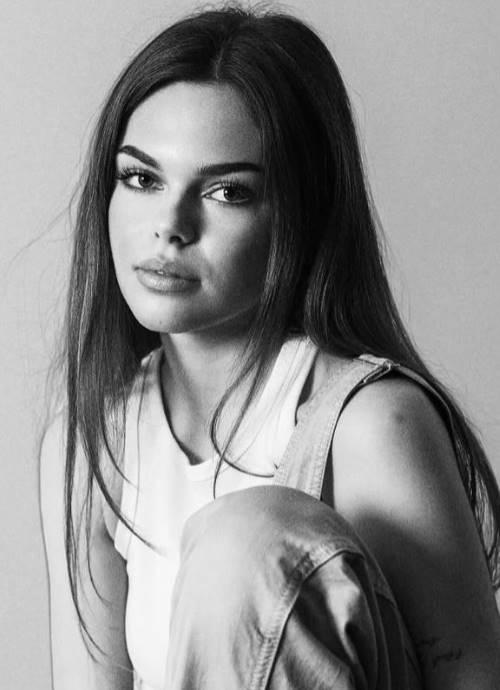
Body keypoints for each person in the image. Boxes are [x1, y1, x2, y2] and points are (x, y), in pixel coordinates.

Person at [40, 5, 500, 689]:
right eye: (142, 179)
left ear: (298, 214)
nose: (170, 226)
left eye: (227, 192)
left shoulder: (372, 425)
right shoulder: (92, 444)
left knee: (244, 542)